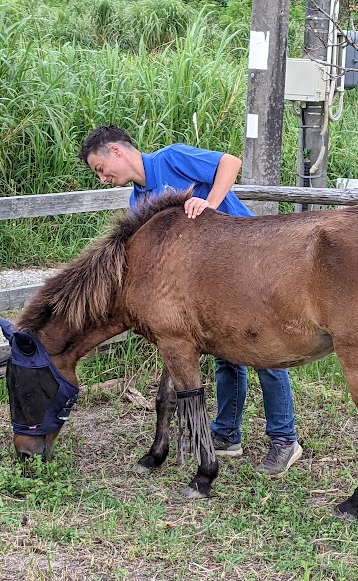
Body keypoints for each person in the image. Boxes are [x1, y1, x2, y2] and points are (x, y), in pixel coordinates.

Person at [78, 125, 302, 476]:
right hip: (206, 287)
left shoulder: (172, 159)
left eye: (100, 169)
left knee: (264, 351)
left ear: (117, 152)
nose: (103, 178)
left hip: (247, 262)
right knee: (226, 358)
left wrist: (208, 203)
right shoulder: (139, 200)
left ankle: (284, 440)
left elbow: (230, 162)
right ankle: (227, 434)